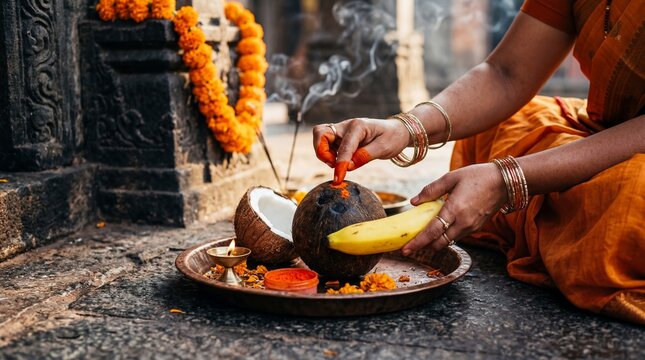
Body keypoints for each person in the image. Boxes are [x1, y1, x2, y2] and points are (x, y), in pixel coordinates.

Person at [312, 0, 644, 325]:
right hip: (600, 127)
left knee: (626, 198)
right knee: (501, 129)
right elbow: (505, 72)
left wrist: (508, 179)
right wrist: (406, 127)